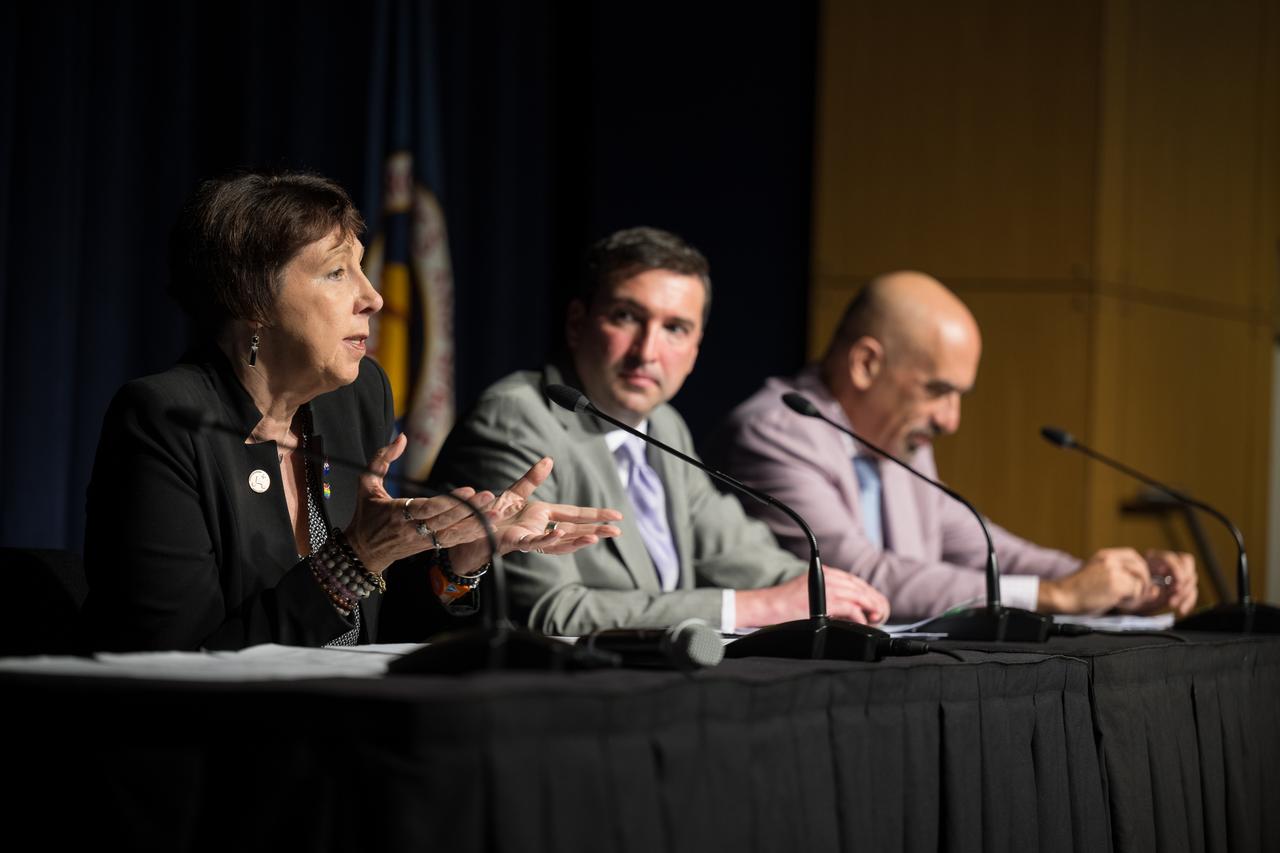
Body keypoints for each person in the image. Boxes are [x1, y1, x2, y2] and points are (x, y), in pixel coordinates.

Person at [79, 171, 621, 652]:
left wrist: (459, 561)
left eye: (362, 269)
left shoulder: (355, 398)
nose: (373, 297)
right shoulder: (164, 421)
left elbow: (376, 630)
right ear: (251, 301)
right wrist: (352, 560)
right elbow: (172, 670)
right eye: (338, 273)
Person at [430, 226, 888, 635]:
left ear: (695, 350)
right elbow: (547, 612)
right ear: (577, 323)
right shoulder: (519, 420)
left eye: (674, 328)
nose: (647, 351)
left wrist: (826, 590)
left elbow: (735, 548)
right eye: (627, 317)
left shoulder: (663, 425)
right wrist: (754, 606)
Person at [715, 271, 1198, 623]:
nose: (951, 420)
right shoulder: (773, 433)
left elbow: (985, 548)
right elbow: (856, 572)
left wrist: (1119, 583)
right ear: (866, 364)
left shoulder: (898, 439)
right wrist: (1056, 596)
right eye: (937, 391)